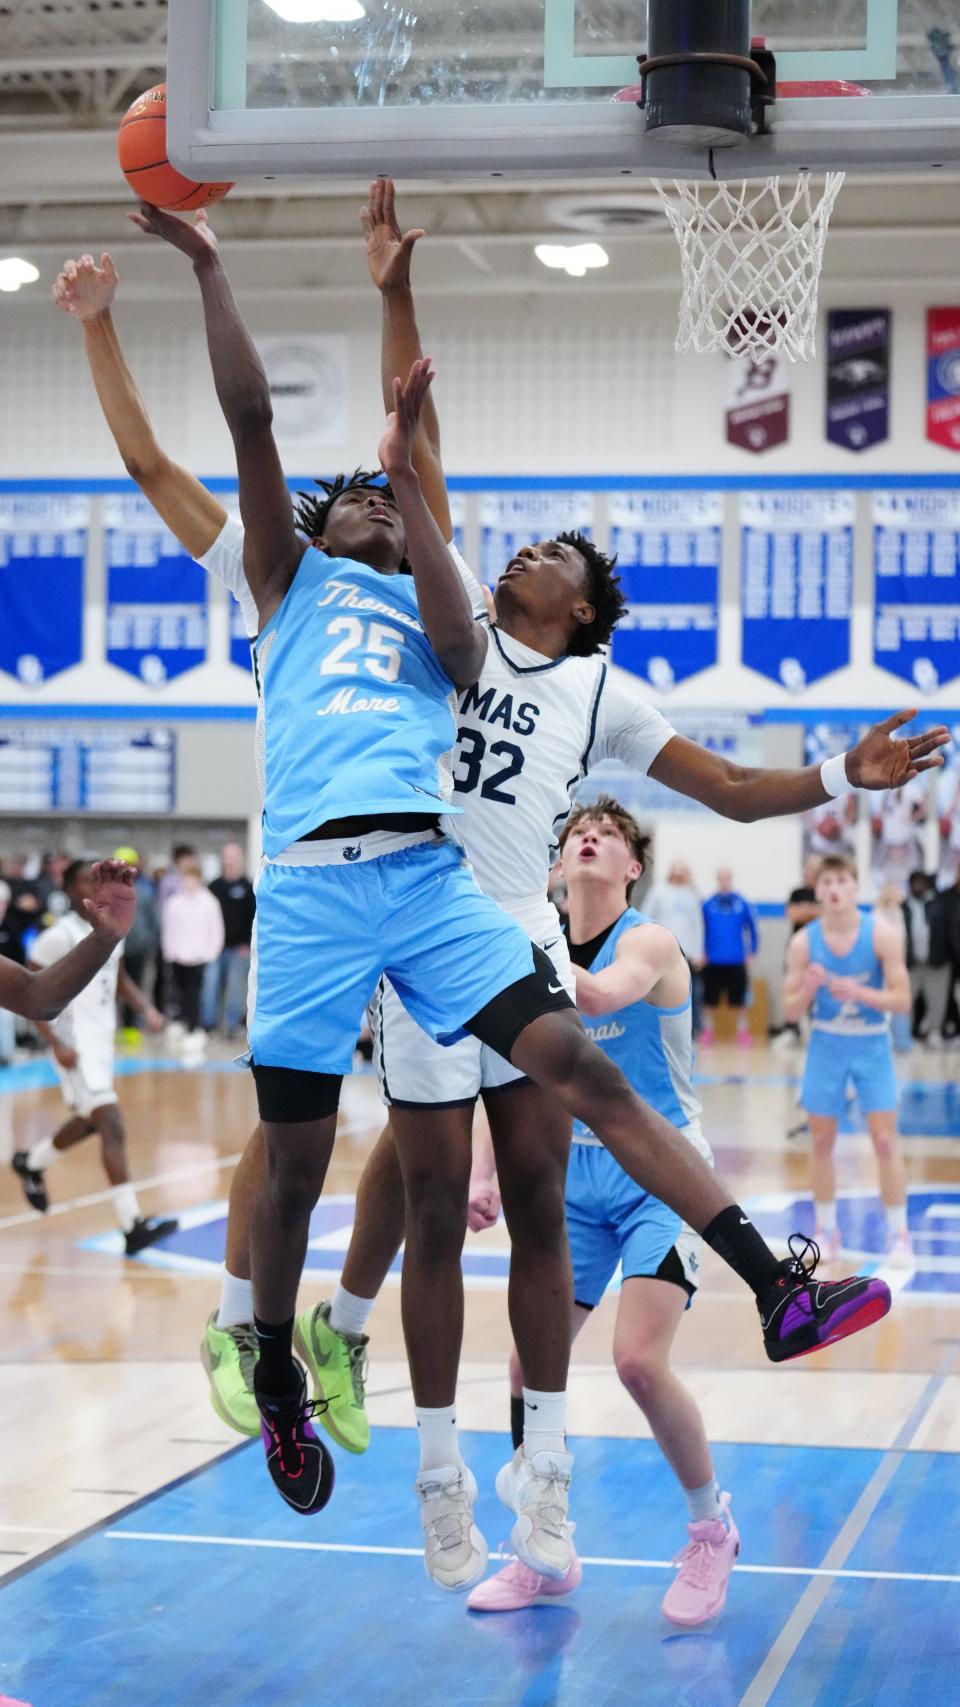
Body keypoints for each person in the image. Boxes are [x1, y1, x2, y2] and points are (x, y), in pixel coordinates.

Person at [56, 207, 933, 1561]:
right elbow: (229, 434)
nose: (363, 492)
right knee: (315, 1167)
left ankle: (761, 1285)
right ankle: (297, 1365)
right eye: (348, 490)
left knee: (570, 1100)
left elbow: (427, 470)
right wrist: (204, 280)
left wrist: (834, 771)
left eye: (380, 494)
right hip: (307, 885)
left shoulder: (446, 609)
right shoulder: (281, 576)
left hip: (438, 882)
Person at [467, 798, 739, 1626]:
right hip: (574, 1181)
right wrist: (482, 1169)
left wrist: (513, 937)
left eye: (611, 834)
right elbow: (506, 1071)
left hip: (662, 1177)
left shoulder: (648, 943)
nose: (590, 837)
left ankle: (710, 1528)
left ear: (631, 866)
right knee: (525, 1367)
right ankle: (543, 1542)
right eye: (576, 832)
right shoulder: (539, 933)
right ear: (555, 863)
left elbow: (594, 996)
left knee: (638, 1363)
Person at [10, 860, 178, 1255]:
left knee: (90, 1122)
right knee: (111, 1122)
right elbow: (30, 994)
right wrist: (55, 1044)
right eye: (87, 881)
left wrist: (146, 1009)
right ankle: (131, 1224)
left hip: (101, 1042)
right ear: (69, 890)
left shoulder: (109, 930)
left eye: (98, 880)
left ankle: (31, 1163)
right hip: (74, 1044)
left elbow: (117, 979)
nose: (95, 887)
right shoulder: (57, 937)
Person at [783, 854, 913, 1266]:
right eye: (827, 883)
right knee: (821, 1140)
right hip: (827, 1043)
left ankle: (900, 1234)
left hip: (872, 1043)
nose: (835, 889)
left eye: (842, 881)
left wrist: (858, 993)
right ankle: (825, 1230)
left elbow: (904, 1000)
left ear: (856, 887)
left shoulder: (882, 934)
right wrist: (808, 988)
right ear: (817, 890)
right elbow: (788, 1012)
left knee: (885, 1139)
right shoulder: (804, 942)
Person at [160, 859, 225, 1054]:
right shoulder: (174, 903)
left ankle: (195, 1029)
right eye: (185, 878)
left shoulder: (209, 902)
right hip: (178, 956)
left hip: (200, 957)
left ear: (199, 879)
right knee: (178, 994)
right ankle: (181, 1025)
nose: (189, 882)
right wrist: (169, 951)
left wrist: (211, 952)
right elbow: (168, 929)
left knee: (196, 995)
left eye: (192, 878)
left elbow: (216, 930)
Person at [643, 860, 704, 1033]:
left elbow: (698, 925)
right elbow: (647, 915)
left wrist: (698, 951)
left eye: (683, 872)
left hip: (688, 953)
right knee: (660, 990)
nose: (679, 875)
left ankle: (690, 1030)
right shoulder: (659, 892)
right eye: (677, 871)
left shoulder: (692, 894)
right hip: (661, 950)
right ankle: (658, 1026)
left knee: (690, 991)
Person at [203, 842, 255, 1038]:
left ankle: (231, 1026)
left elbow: (254, 918)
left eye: (234, 856)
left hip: (238, 949)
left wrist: (247, 943)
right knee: (210, 985)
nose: (230, 860)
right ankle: (209, 1025)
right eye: (227, 856)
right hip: (214, 949)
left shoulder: (248, 887)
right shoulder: (213, 887)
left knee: (235, 988)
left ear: (240, 859)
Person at [701, 869, 758, 1047]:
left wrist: (752, 952)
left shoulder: (742, 903)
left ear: (731, 879)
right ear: (717, 879)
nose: (724, 880)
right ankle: (707, 1032)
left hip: (736, 960)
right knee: (709, 1000)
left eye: (727, 877)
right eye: (721, 877)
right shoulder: (708, 904)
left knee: (739, 1001)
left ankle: (742, 1033)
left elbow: (753, 929)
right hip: (712, 960)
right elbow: (700, 930)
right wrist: (702, 952)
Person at [112, 845, 160, 1038]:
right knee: (112, 987)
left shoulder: (145, 889)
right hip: (113, 947)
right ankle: (114, 1026)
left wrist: (154, 941)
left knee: (135, 987)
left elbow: (152, 919)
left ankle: (131, 1028)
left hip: (138, 947)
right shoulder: (108, 889)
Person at [902, 870, 950, 1049]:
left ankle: (935, 1032)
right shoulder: (904, 906)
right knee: (906, 1001)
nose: (919, 886)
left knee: (937, 1000)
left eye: (922, 882)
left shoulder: (938, 905)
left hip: (936, 963)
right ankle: (904, 1035)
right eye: (915, 883)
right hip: (911, 964)